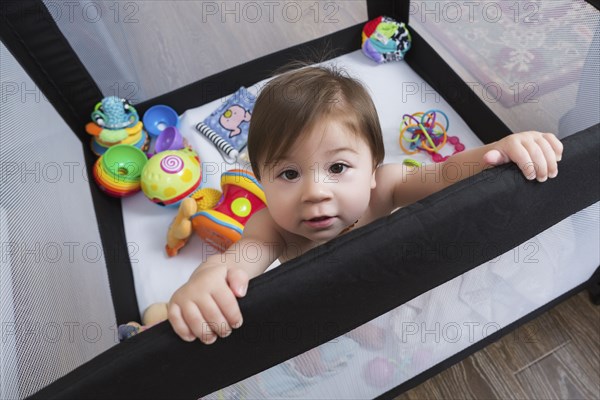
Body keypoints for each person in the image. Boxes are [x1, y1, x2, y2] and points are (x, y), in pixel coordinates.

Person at [168, 65, 563, 344]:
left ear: (373, 169)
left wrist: (497, 150)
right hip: (320, 301)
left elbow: (444, 175)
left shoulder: (385, 187)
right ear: (261, 182)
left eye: (338, 167)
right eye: (289, 174)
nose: (315, 192)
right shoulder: (272, 226)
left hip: (381, 279)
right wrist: (209, 278)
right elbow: (241, 258)